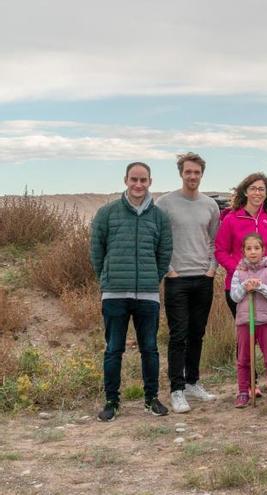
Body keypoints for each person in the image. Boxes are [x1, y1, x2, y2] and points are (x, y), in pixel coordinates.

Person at [90, 162, 172, 421]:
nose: (138, 185)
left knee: (150, 348)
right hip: (114, 293)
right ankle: (112, 402)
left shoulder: (159, 217)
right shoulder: (107, 213)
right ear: (126, 180)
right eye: (134, 179)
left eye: (143, 180)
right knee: (114, 348)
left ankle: (151, 399)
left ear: (150, 182)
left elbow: (164, 253)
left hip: (147, 294)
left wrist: (152, 278)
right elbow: (96, 249)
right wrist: (106, 278)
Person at [156, 152, 220, 414]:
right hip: (177, 279)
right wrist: (168, 270)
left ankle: (193, 381)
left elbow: (216, 240)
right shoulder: (165, 203)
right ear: (181, 173)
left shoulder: (210, 205)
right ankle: (177, 389)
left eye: (196, 172)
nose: (192, 176)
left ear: (202, 174)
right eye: (188, 172)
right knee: (178, 335)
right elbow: (158, 240)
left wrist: (212, 269)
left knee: (197, 333)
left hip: (202, 278)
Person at [214, 173, 267, 371]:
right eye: (253, 188)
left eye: (261, 189)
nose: (257, 192)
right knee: (246, 334)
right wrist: (237, 269)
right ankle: (247, 383)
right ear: (245, 191)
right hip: (238, 286)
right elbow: (220, 250)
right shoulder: (231, 219)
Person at [229, 233, 267, 407]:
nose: (253, 252)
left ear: (263, 250)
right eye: (249, 248)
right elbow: (234, 297)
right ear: (243, 251)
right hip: (245, 322)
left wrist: (259, 286)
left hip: (266, 321)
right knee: (243, 359)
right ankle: (243, 392)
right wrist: (246, 286)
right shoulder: (239, 272)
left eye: (257, 248)